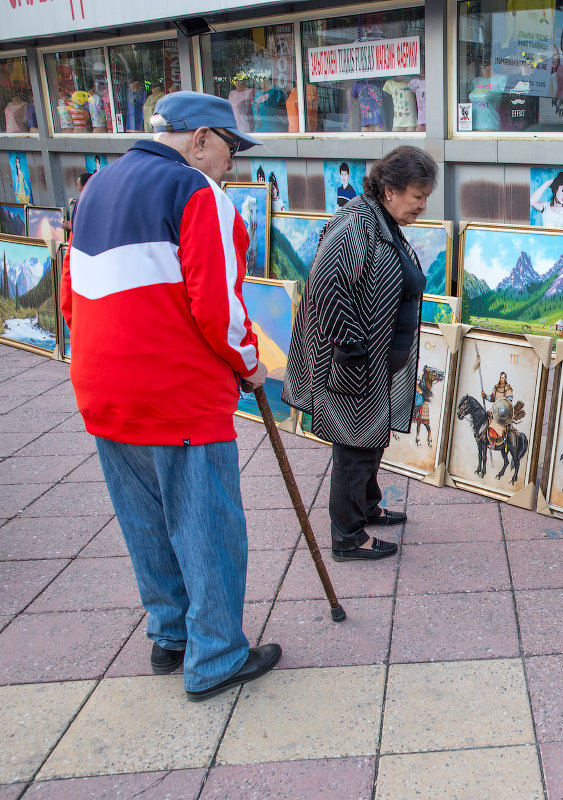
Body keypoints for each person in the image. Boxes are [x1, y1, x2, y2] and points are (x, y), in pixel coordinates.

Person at [61, 90, 282, 701]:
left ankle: (170, 635)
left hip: (103, 387)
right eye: (231, 149)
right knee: (205, 524)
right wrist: (250, 365)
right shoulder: (197, 193)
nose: (232, 165)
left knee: (145, 521)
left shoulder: (95, 187)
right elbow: (218, 306)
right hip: (177, 390)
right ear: (201, 138)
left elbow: (68, 297)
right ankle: (215, 655)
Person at [284, 146, 438, 561]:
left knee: (371, 439)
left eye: (426, 197)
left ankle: (367, 507)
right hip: (353, 359)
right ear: (389, 189)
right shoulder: (356, 222)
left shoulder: (380, 219)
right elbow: (326, 283)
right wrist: (350, 347)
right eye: (417, 196)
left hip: (376, 357)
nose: (423, 205)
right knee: (354, 444)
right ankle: (347, 536)